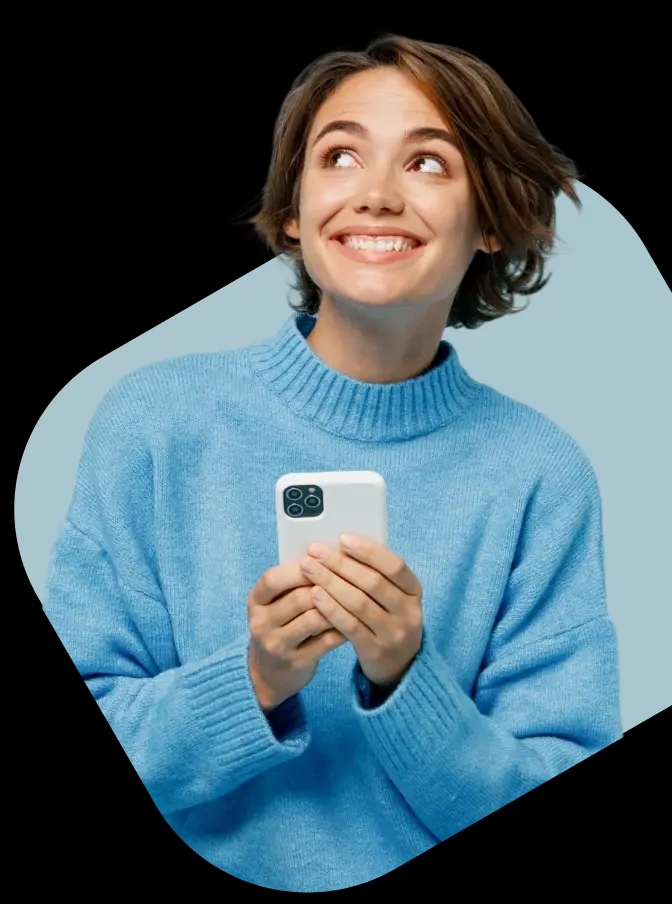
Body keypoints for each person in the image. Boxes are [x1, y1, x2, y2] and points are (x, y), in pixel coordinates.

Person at [43, 34, 622, 893]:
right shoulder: (152, 422)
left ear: (493, 217)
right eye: (340, 155)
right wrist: (253, 677)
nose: (378, 195)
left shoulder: (541, 472)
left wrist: (403, 679)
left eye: (429, 163)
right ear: (292, 211)